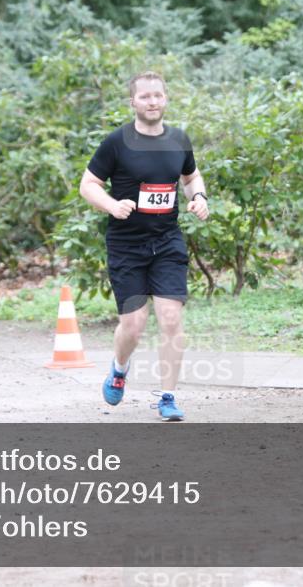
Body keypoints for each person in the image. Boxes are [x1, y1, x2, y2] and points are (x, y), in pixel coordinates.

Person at [79, 71, 209, 421]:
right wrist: (111, 205)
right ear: (133, 102)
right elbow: (88, 184)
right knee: (133, 326)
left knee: (170, 318)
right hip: (126, 245)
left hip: (166, 242)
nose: (152, 101)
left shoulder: (179, 140)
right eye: (145, 96)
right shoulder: (117, 143)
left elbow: (190, 176)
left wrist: (198, 196)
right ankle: (119, 369)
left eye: (158, 96)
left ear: (166, 99)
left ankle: (168, 397)